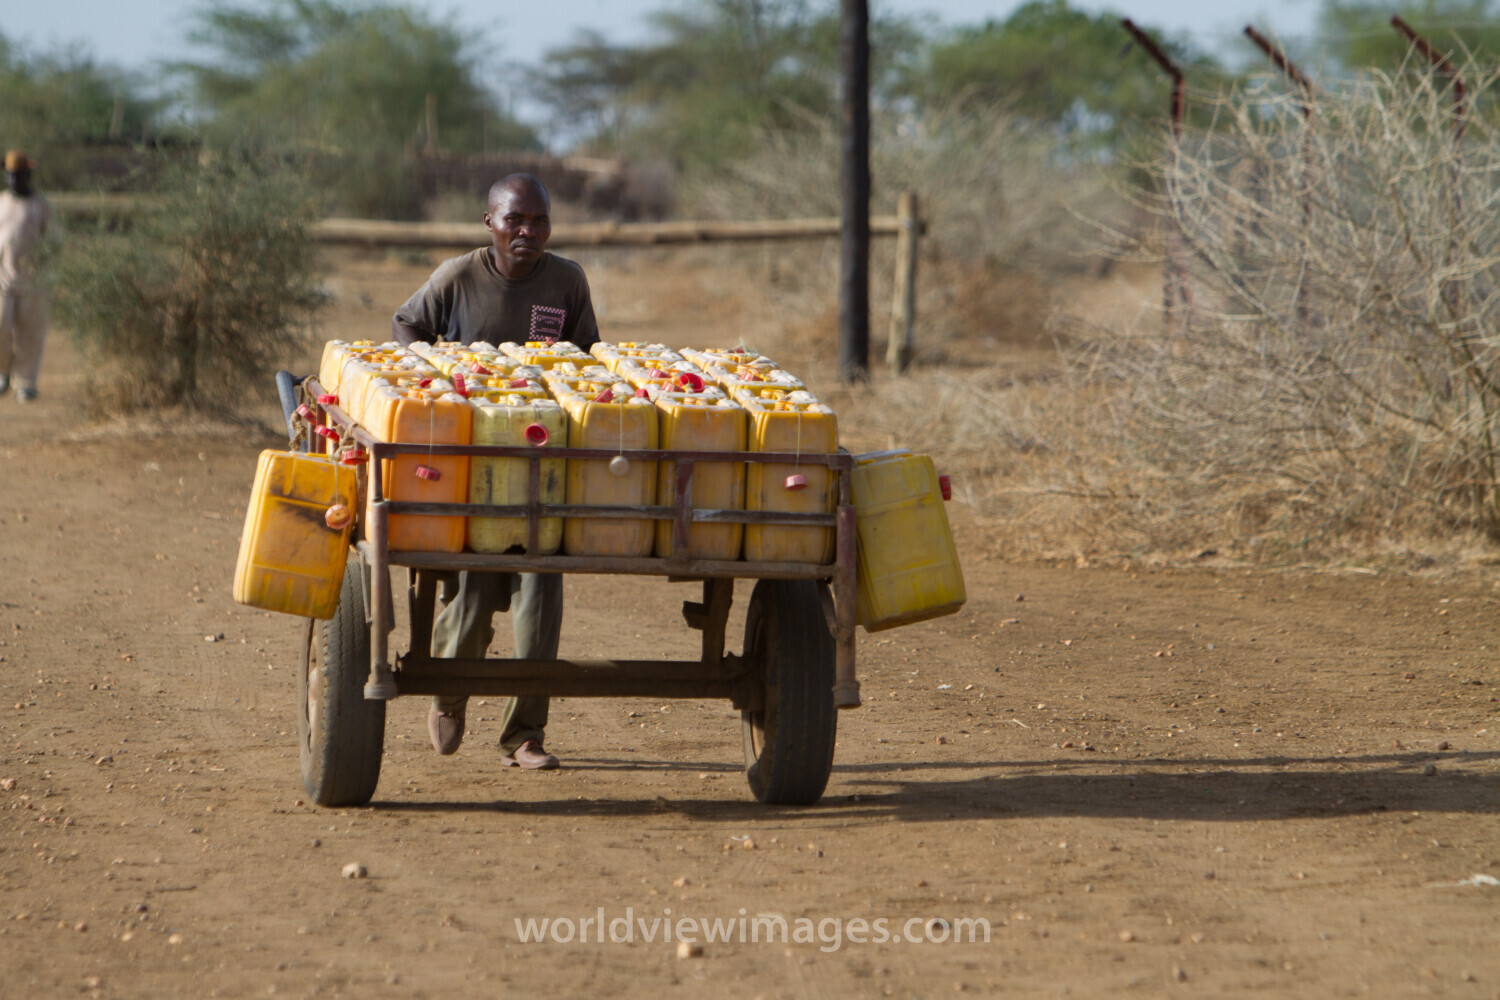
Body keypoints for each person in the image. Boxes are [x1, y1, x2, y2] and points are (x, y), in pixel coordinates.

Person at [391, 173, 598, 768]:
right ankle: (450, 696)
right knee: (474, 598)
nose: (528, 232)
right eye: (516, 221)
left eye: (539, 221)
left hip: (542, 469)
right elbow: (406, 324)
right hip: (472, 470)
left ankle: (525, 735)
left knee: (541, 595)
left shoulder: (567, 281)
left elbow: (589, 358)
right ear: (491, 223)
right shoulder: (458, 277)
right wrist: (434, 368)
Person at [0, 150, 53, 403]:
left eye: (18, 175)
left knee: (30, 331)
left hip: (34, 279)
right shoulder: (1, 201)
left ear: (27, 175)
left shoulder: (40, 205)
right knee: (1, 326)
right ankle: (2, 374)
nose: (13, 180)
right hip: (2, 278)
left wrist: (42, 264)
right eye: (10, 175)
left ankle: (26, 383)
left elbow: (53, 241)